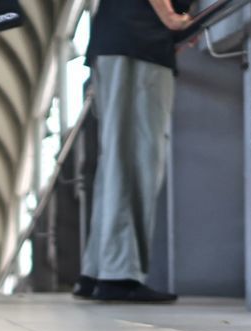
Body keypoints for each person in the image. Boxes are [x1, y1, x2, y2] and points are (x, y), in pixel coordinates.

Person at [74, 0, 193, 303]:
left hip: (129, 41)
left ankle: (97, 270)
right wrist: (169, 18)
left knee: (118, 157)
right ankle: (119, 275)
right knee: (136, 158)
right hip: (136, 43)